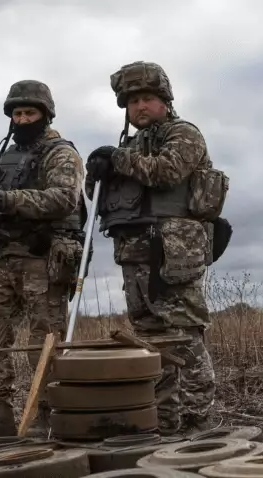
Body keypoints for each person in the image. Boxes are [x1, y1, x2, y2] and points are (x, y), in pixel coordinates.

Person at [85, 60, 229, 435]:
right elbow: (101, 201)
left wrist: (116, 159)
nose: (140, 108)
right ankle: (164, 419)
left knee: (183, 335)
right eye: (133, 103)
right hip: (133, 252)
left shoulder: (184, 134)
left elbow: (167, 172)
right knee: (149, 340)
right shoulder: (128, 147)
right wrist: (96, 174)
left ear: (164, 100)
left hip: (172, 251)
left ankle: (198, 421)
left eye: (147, 99)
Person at [0, 79, 85, 440]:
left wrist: (12, 201)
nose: (23, 119)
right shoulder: (4, 158)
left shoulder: (62, 153)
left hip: (44, 260)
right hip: (5, 260)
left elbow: (64, 199)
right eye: (17, 113)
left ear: (45, 115)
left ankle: (48, 416)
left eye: (30, 112)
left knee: (44, 345)